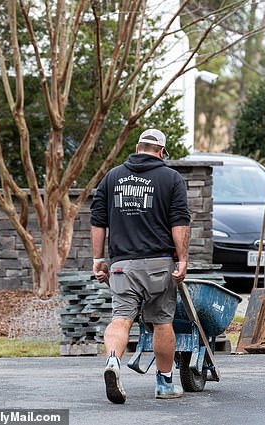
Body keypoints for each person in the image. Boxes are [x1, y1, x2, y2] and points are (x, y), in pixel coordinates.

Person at [90, 128, 190, 404]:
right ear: (161, 152)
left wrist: (98, 260)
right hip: (159, 264)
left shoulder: (112, 177)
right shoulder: (171, 178)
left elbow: (98, 220)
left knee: (121, 318)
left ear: (137, 148)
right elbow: (179, 222)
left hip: (122, 265)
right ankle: (165, 383)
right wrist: (182, 260)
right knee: (161, 322)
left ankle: (112, 360)